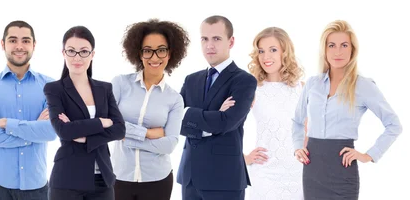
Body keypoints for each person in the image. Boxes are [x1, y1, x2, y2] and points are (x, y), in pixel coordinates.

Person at [292, 20, 402, 200]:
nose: (338, 51)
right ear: (324, 50)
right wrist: (298, 147)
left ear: (352, 49)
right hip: (312, 170)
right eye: (332, 45)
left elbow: (394, 125)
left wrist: (369, 155)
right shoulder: (312, 84)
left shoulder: (363, 86)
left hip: (342, 171)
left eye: (344, 45)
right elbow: (297, 121)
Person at [177, 15, 256, 200]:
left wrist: (188, 114)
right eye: (204, 39)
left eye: (216, 39)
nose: (209, 45)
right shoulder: (191, 80)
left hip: (224, 179)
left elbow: (226, 123)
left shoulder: (244, 81)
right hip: (190, 178)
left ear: (231, 41)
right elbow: (174, 121)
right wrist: (213, 116)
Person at [43, 25, 125, 200]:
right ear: (63, 53)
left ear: (92, 54)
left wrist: (85, 138)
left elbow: (119, 129)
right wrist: (101, 123)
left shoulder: (105, 88)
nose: (77, 57)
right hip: (67, 179)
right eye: (71, 51)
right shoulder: (54, 89)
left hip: (103, 179)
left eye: (84, 51)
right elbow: (64, 131)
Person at [110, 18, 188, 200]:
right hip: (120, 178)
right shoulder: (120, 83)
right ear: (139, 54)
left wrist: (127, 138)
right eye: (148, 51)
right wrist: (149, 133)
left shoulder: (175, 99)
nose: (154, 57)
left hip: (158, 181)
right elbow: (111, 128)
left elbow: (169, 145)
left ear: (170, 54)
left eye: (161, 50)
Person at [0, 20, 57, 200]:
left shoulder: (50, 86)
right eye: (13, 40)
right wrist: (33, 131)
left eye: (26, 41)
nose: (19, 46)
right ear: (3, 44)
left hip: (37, 185)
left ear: (34, 45)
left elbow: (52, 132)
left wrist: (6, 123)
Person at [243, 27, 305, 200]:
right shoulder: (253, 89)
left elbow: (309, 130)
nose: (265, 57)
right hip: (265, 173)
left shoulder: (302, 88)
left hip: (298, 174)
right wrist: (245, 158)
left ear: (285, 52)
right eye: (261, 51)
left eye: (273, 50)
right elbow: (228, 127)